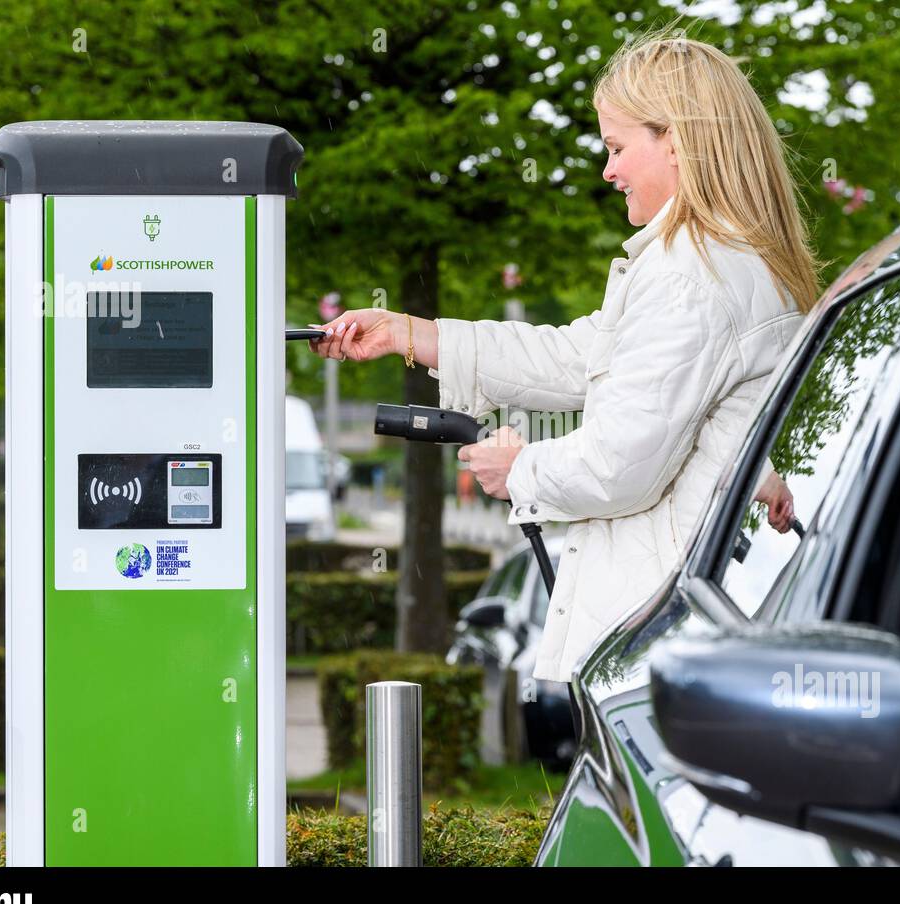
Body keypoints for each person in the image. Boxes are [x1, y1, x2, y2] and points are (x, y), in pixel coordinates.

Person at [307, 30, 819, 684]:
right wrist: (407, 332)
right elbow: (581, 356)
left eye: (616, 147)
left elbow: (620, 465)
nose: (607, 171)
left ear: (678, 140)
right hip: (697, 622)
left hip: (662, 631)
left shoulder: (690, 279)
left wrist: (520, 467)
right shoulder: (731, 263)